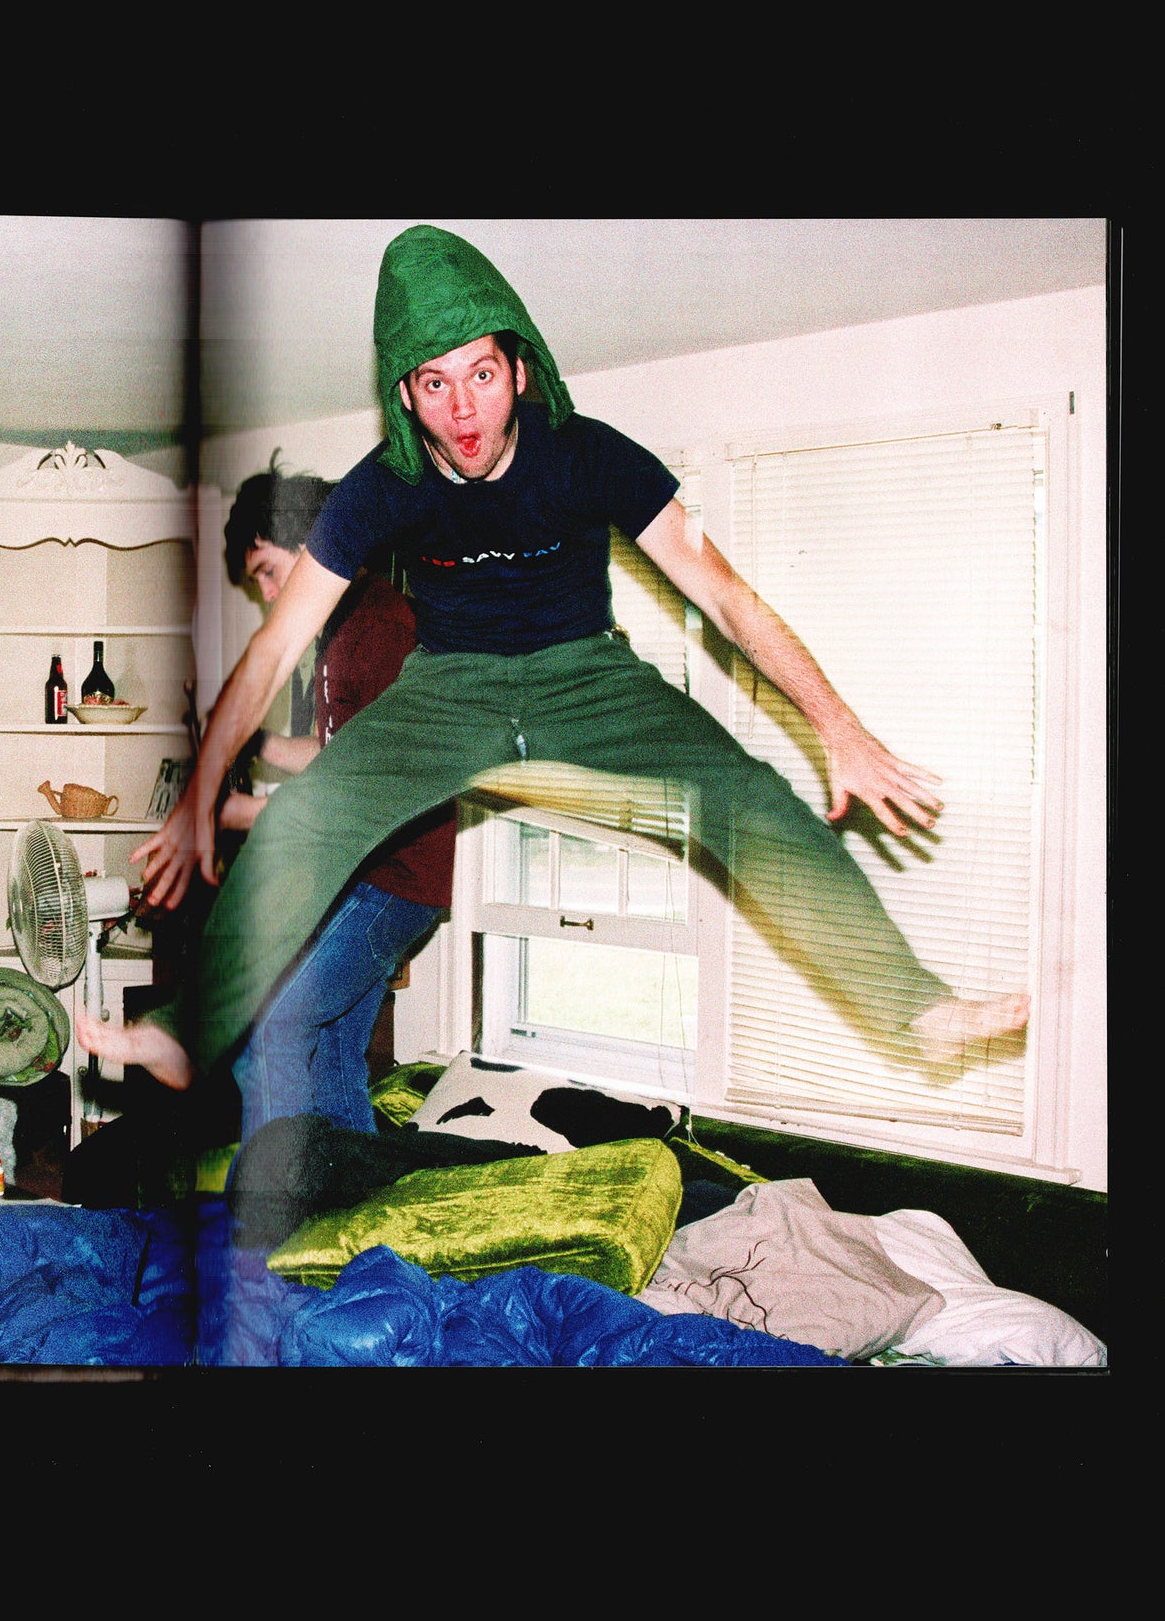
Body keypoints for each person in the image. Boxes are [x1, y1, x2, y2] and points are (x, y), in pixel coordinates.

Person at [79, 223, 1029, 1096]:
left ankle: (914, 1006)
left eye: (482, 375)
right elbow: (274, 645)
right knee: (303, 821)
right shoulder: (381, 487)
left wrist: (840, 729)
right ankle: (187, 1034)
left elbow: (726, 596)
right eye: (436, 384)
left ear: (520, 369)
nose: (464, 411)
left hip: (587, 674)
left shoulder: (589, 456)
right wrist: (201, 793)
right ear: (405, 395)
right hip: (450, 684)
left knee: (748, 794)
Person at [141, 460, 454, 1137]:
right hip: (374, 878)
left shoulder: (381, 627)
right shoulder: (341, 630)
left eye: (268, 571)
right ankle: (353, 1188)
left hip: (393, 880)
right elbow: (334, 753)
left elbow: (365, 790)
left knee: (268, 1030)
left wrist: (234, 813)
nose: (266, 593)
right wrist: (253, 740)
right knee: (335, 1051)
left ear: (312, 546)